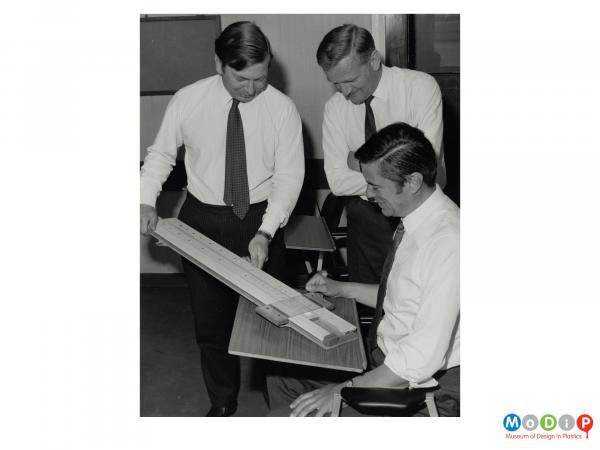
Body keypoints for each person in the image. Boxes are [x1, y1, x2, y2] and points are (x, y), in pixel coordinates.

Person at [140, 21, 305, 416]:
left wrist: (266, 231)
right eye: (240, 79)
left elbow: (289, 176)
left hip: (262, 220)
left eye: (260, 78)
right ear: (219, 63)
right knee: (212, 327)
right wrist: (146, 201)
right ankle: (222, 403)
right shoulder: (187, 100)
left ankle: (280, 402)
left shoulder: (281, 108)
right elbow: (161, 155)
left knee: (272, 325)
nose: (251, 89)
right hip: (203, 221)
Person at [266, 122, 459, 417]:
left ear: (412, 182)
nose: (368, 194)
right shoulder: (419, 221)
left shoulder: (448, 243)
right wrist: (341, 288)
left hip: (425, 390)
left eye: (376, 185)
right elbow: (402, 297)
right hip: (391, 362)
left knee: (299, 410)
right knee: (281, 376)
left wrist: (342, 389)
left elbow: (419, 360)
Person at [317, 24, 446, 284]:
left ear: (374, 60)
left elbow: (422, 168)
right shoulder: (334, 109)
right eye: (336, 83)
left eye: (351, 80)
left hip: (423, 214)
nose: (344, 92)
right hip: (368, 219)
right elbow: (337, 181)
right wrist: (391, 174)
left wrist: (357, 162)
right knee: (371, 308)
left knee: (420, 301)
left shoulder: (419, 88)